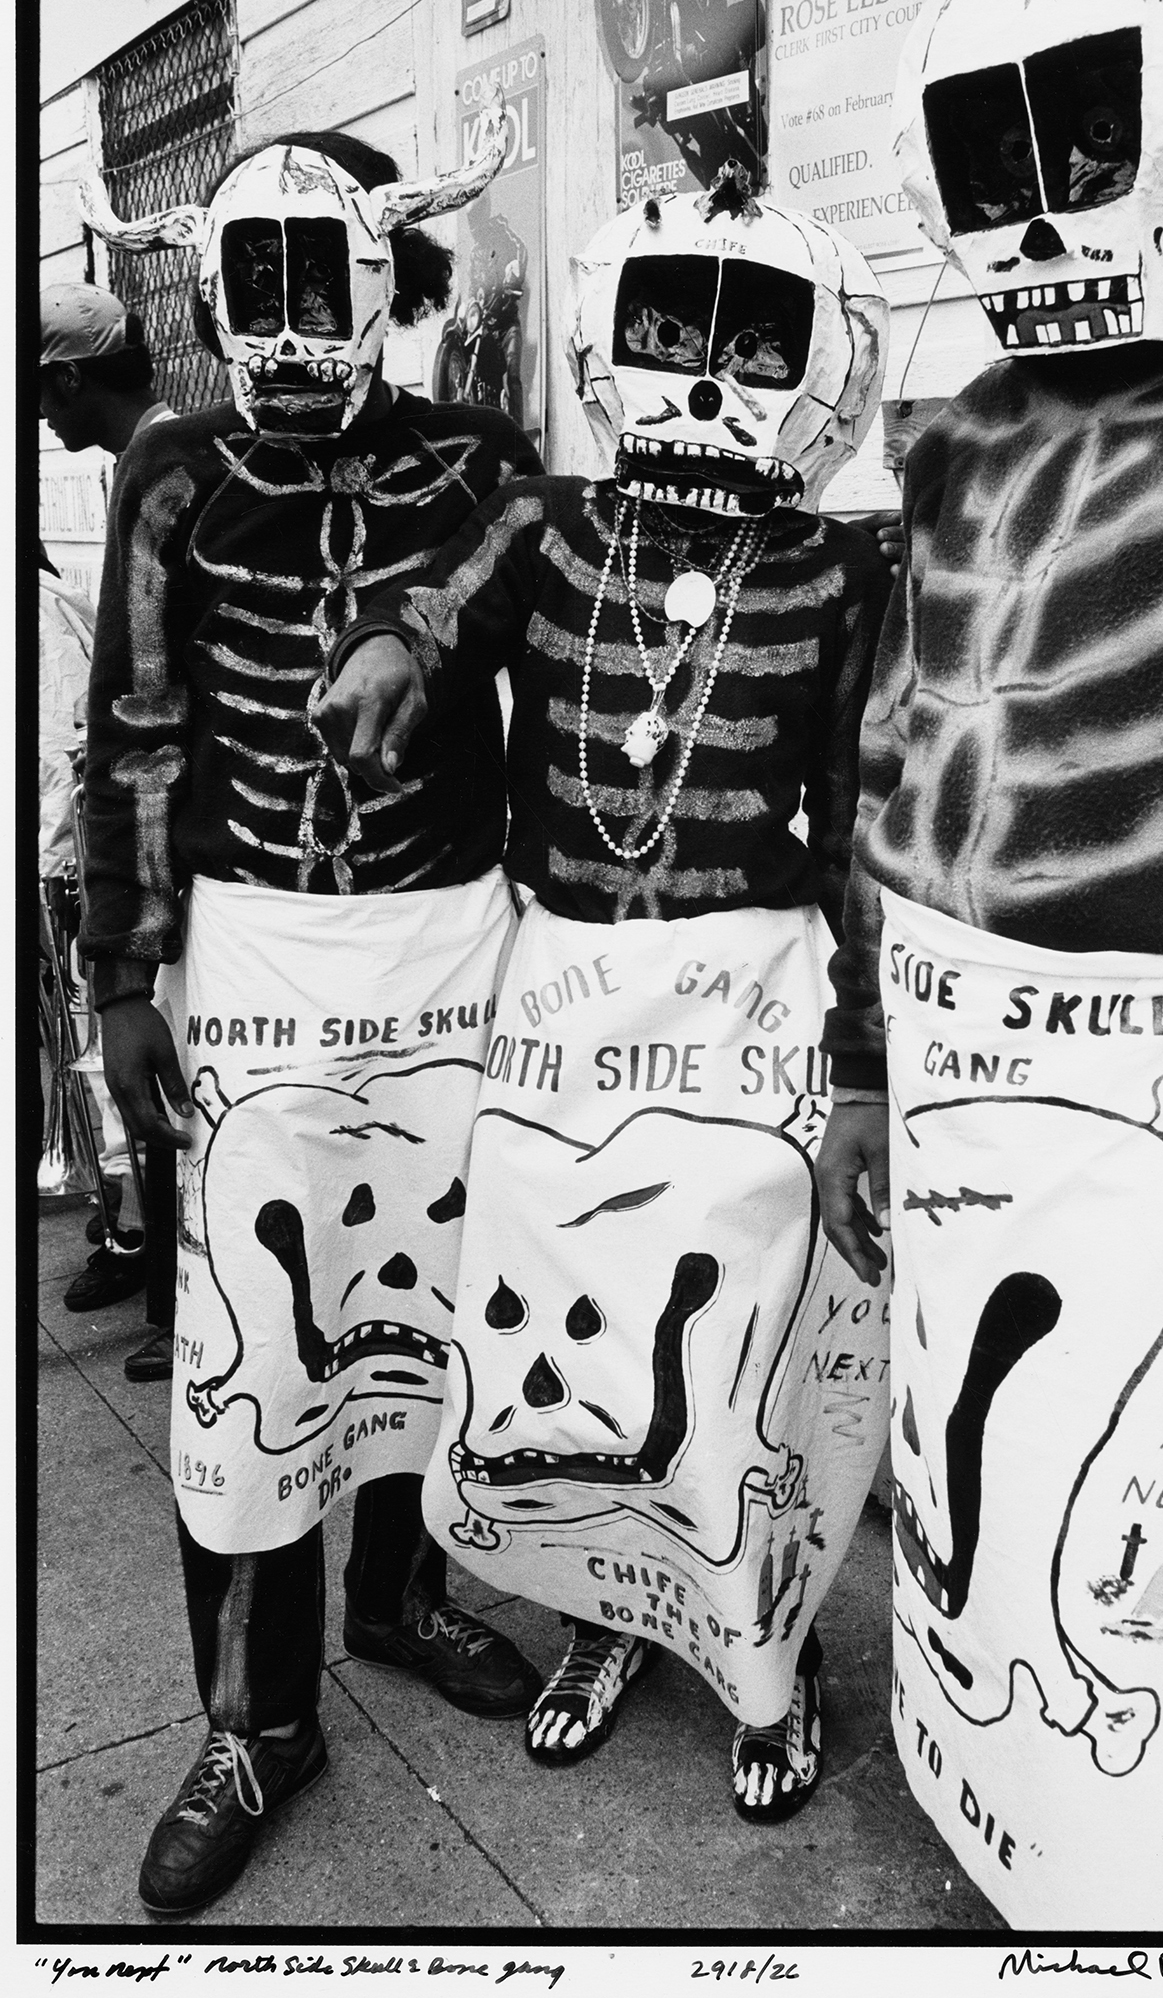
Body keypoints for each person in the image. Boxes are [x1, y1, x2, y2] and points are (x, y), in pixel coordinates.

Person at [815, 0, 1163, 1931]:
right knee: (978, 1492)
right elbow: (894, 754)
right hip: (968, 1083)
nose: (1039, 204)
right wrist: (871, 1074)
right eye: (992, 149)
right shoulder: (955, 430)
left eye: (1079, 135)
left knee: (1157, 1519)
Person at [318, 170, 894, 1822]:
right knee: (553, 1346)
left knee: (726, 1348)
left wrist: (858, 1069)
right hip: (559, 993)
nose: (701, 375)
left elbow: (854, 823)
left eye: (745, 339)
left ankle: (762, 1659)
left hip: (744, 1002)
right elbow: (438, 616)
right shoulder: (554, 520)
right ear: (609, 334)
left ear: (814, 364)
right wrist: (390, 653)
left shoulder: (843, 570)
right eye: (664, 328)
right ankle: (602, 1625)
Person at [78, 118, 546, 1915]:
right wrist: (126, 973)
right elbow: (133, 722)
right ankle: (257, 1718)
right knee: (253, 1353)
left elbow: (529, 543)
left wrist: (424, 627)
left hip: (442, 954)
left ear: (380, 281)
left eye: (311, 282)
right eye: (244, 287)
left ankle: (404, 1595)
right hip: (255, 965)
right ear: (207, 293)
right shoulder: (177, 471)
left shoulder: (474, 459)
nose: (278, 328)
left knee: (424, 1320)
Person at [39, 285, 178, 1329]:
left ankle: (168, 1284)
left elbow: (148, 693)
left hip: (168, 836)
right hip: (149, 824)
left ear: (73, 378)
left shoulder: (165, 464)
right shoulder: (144, 460)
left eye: (43, 390)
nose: (41, 414)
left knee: (148, 1062)